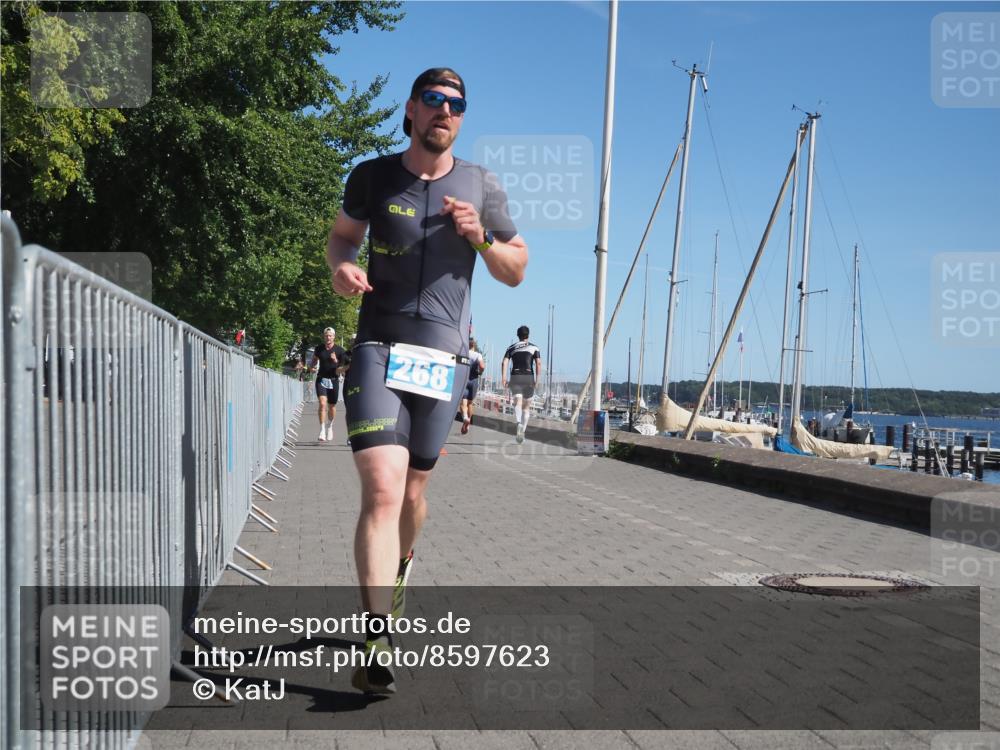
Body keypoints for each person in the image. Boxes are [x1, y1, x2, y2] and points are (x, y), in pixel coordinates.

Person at [325, 67, 528, 694]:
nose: (446, 110)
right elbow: (341, 239)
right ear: (411, 110)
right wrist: (342, 269)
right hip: (377, 349)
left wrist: (481, 236)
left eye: (457, 104)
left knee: (413, 494)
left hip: (443, 360)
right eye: (435, 100)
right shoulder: (373, 176)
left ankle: (403, 563)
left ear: (461, 118)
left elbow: (516, 268)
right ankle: (376, 635)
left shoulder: (481, 186)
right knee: (383, 491)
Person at [502, 325, 541, 444]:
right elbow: (538, 363)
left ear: (518, 335)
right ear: (528, 335)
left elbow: (504, 362)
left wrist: (504, 378)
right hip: (529, 377)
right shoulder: (534, 347)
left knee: (517, 402)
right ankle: (522, 431)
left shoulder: (511, 347)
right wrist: (537, 380)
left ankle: (518, 422)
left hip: (515, 376)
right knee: (526, 407)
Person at [310, 327, 347, 442]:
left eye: (330, 335)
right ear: (324, 337)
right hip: (321, 379)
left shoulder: (340, 351)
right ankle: (321, 430)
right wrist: (312, 366)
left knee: (332, 406)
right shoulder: (319, 349)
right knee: (322, 404)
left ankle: (329, 427)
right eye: (326, 335)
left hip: (334, 380)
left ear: (334, 337)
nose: (328, 337)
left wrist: (336, 360)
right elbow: (315, 359)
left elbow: (343, 368)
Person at [459, 337, 485, 435]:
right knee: (470, 403)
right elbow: (482, 366)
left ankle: (465, 418)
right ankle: (468, 423)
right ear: (473, 345)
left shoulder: (463, 353)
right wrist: (480, 372)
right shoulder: (478, 355)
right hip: (474, 380)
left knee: (463, 402)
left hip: (464, 379)